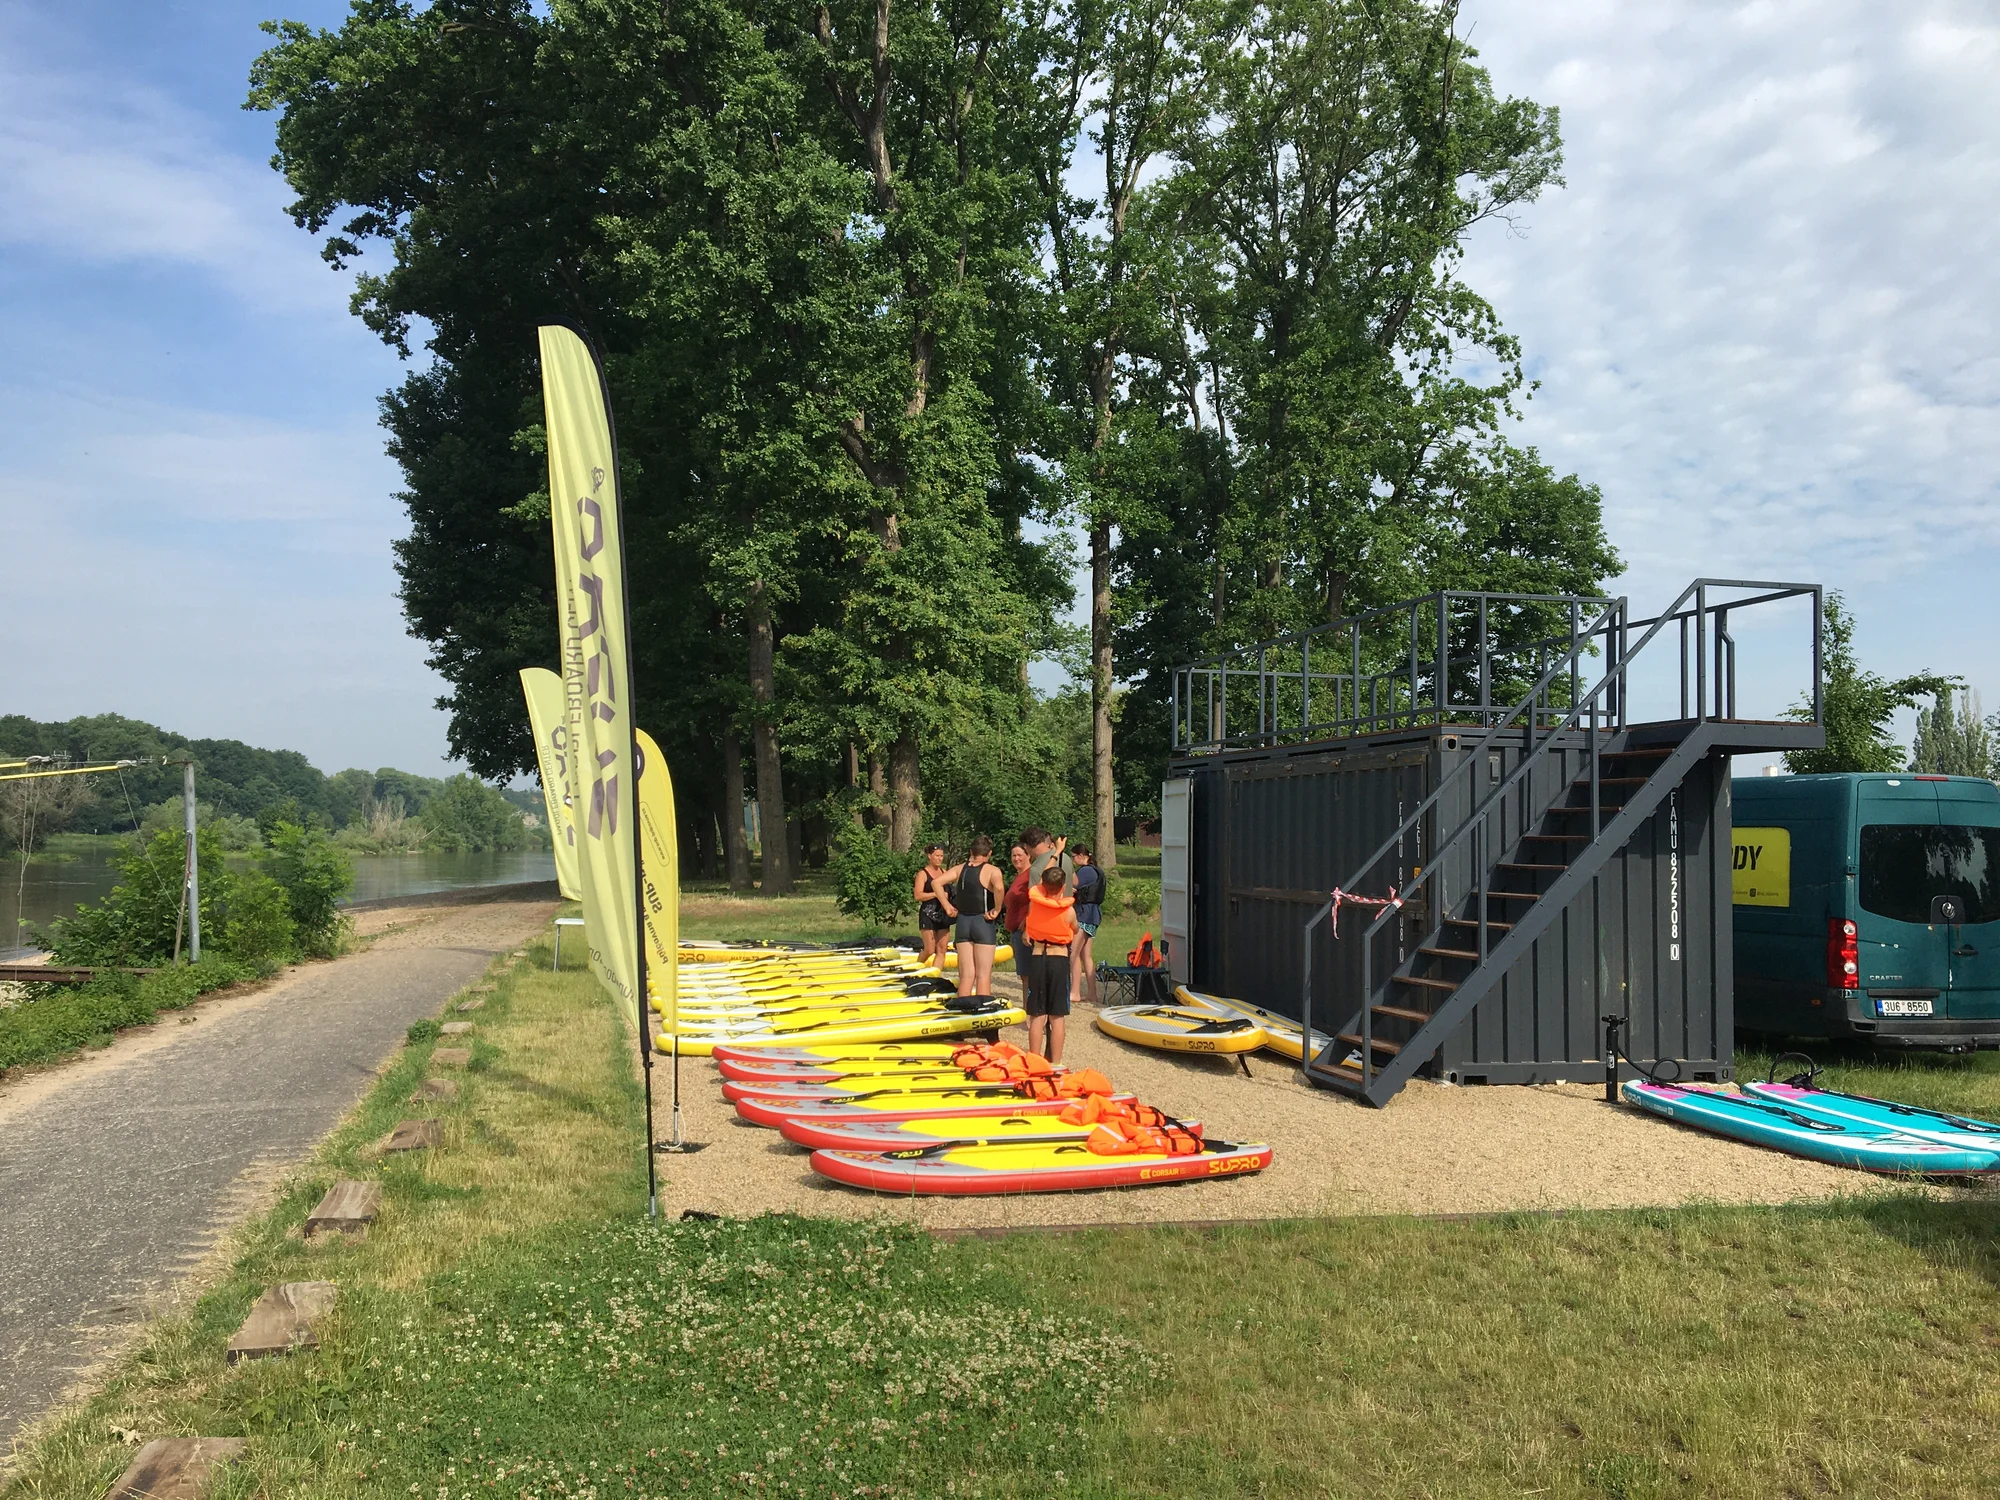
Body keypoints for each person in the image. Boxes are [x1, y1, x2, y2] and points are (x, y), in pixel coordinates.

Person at [1023, 862, 1079, 1061]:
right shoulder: (1068, 911)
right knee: (1057, 1016)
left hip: (1038, 957)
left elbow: (1038, 884)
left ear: (1043, 886)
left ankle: (1034, 1059)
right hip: (1059, 959)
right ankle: (1055, 1063)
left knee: (1037, 1015)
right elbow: (1075, 929)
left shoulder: (1035, 903)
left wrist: (1054, 854)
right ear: (1063, 887)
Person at [938, 836, 1006, 998]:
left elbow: (936, 883)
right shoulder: (992, 870)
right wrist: (997, 909)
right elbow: (999, 887)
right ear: (989, 853)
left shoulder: (960, 868)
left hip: (963, 922)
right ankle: (981, 1011)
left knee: (967, 975)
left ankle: (963, 1009)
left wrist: (947, 906)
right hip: (982, 921)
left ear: (971, 852)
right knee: (983, 975)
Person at [1069, 843, 1104, 1007]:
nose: (1073, 860)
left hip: (1084, 914)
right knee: (1085, 955)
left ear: (1081, 855)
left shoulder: (1086, 871)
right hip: (1093, 915)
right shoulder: (1095, 870)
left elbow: (1073, 885)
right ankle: (1092, 994)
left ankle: (1074, 991)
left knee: (1072, 953)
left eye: (1073, 857)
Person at [912, 843, 954, 967]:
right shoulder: (923, 874)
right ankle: (916, 968)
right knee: (930, 949)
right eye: (937, 856)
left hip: (942, 913)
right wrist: (936, 894)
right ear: (929, 856)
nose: (940, 858)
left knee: (942, 949)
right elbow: (918, 895)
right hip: (928, 914)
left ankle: (935, 976)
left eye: (941, 856)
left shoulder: (944, 872)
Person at [1002, 842, 1033, 1002]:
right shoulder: (1018, 876)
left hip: (1025, 931)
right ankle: (1029, 1009)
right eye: (1013, 855)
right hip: (1016, 930)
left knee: (1028, 975)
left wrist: (1026, 921)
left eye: (1019, 854)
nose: (1016, 858)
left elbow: (1035, 900)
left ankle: (1030, 1012)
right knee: (1024, 975)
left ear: (1028, 855)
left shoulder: (1030, 876)